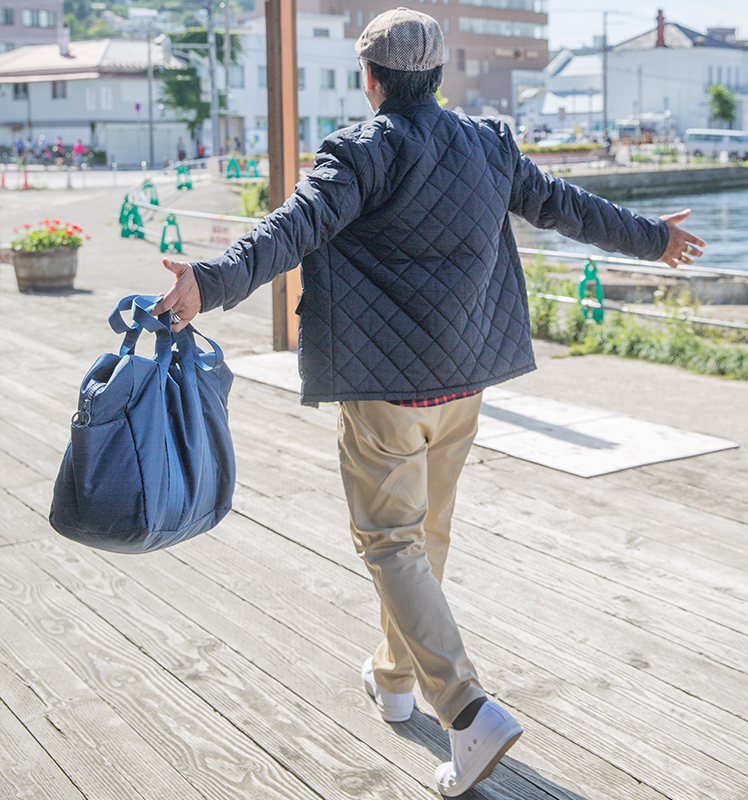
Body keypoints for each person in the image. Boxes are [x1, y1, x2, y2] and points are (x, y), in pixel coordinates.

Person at [154, 8, 705, 795]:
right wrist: (655, 238)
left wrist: (207, 282)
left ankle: (467, 709)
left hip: (385, 393)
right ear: (437, 77)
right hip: (463, 383)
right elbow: (569, 207)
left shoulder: (361, 151)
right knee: (424, 539)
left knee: (389, 542)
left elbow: (291, 229)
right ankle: (394, 677)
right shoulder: (489, 143)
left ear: (370, 79)